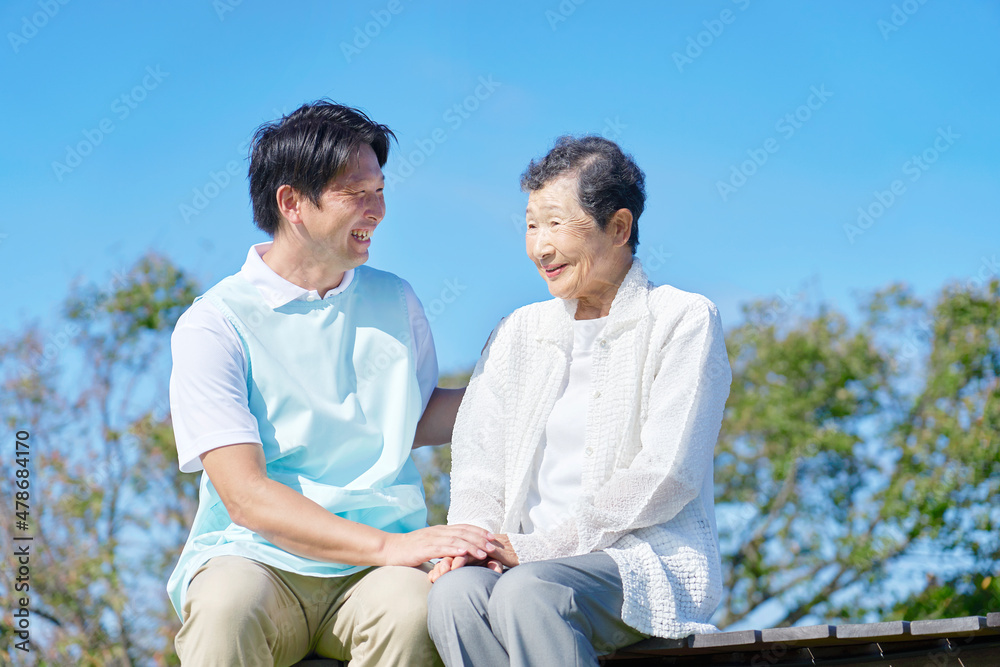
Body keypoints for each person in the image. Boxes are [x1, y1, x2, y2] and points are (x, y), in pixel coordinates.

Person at [166, 100, 495, 667]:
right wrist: (392, 546)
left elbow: (413, 418)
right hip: (257, 560)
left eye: (381, 191)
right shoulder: (213, 323)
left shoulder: (398, 299)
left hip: (375, 576)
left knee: (421, 614)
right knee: (224, 609)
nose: (378, 210)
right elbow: (244, 496)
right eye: (356, 193)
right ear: (291, 202)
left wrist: (527, 394)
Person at [426, 136, 732, 666]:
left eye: (556, 224)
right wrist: (473, 547)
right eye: (530, 225)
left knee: (532, 593)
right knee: (454, 598)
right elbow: (479, 465)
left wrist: (540, 550)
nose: (539, 247)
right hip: (518, 559)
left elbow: (668, 474)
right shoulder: (517, 332)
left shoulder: (683, 318)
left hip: (639, 561)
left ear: (618, 227)